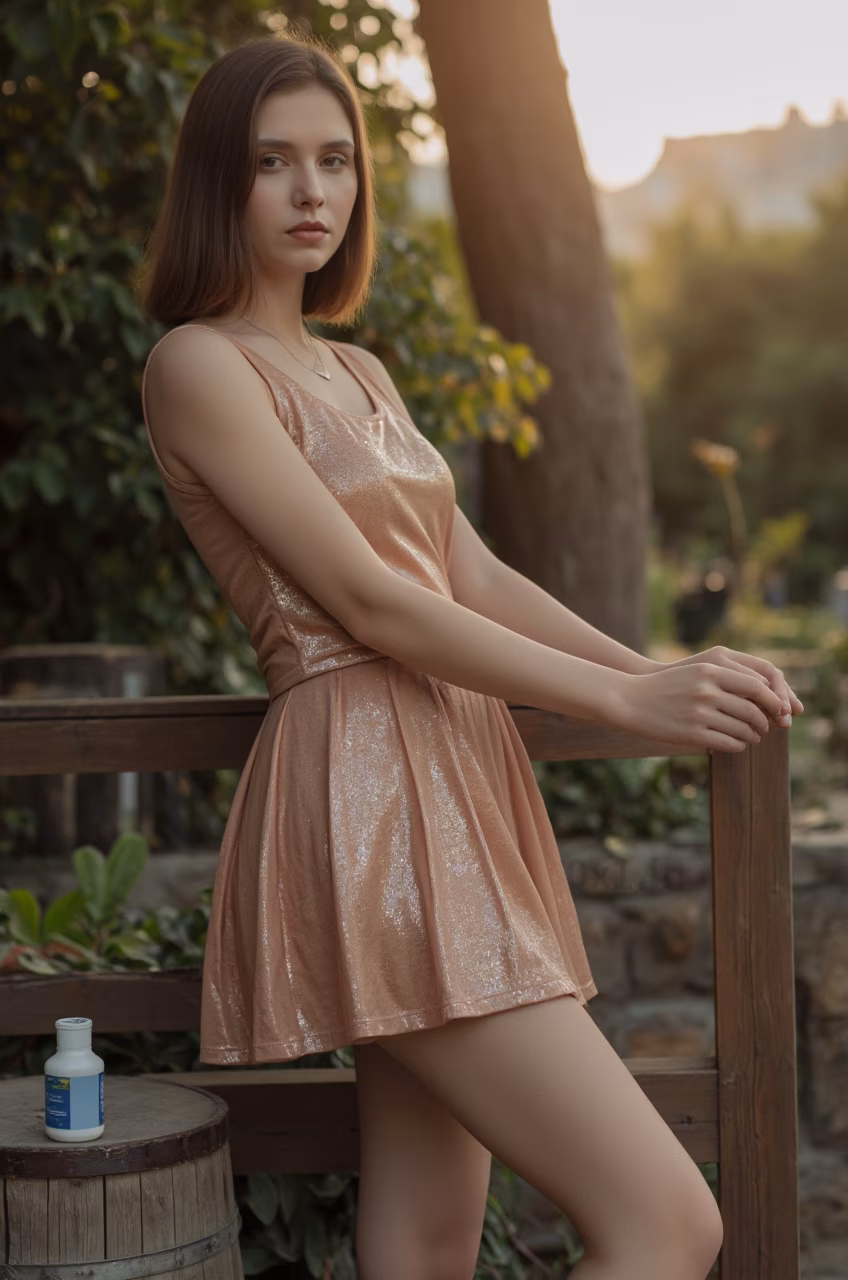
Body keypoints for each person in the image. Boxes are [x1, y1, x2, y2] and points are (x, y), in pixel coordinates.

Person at [136, 31, 802, 1280]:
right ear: (216, 183)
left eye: (334, 161)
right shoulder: (196, 364)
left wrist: (660, 673)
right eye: (272, 162)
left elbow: (473, 574)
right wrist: (623, 698)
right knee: (669, 1219)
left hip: (452, 770)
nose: (311, 191)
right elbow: (365, 600)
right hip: (361, 782)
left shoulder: (358, 369)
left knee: (429, 1240)